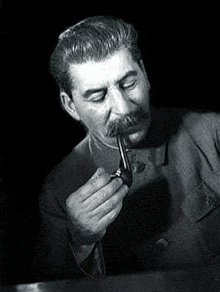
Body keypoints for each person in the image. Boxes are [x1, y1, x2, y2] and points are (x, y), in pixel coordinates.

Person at [35, 16, 220, 281]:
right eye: (98, 96)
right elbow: (53, 282)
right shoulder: (58, 190)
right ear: (70, 106)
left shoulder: (213, 133)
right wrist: (82, 240)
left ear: (144, 74)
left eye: (129, 83)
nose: (124, 108)